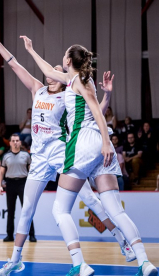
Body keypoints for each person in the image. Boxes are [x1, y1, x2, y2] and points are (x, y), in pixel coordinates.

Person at [0, 23, 137, 276]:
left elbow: (94, 110)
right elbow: (13, 63)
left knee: (89, 197)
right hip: (39, 156)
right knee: (27, 210)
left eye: (56, 71)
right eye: (50, 72)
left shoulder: (68, 95)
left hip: (60, 150)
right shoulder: (37, 90)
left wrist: (107, 100)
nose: (50, 75)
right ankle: (15, 260)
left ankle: (120, 238)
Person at [16, 35, 156, 275]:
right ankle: (144, 261)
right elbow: (50, 71)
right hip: (98, 146)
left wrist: (105, 141)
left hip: (84, 143)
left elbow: (97, 114)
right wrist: (30, 50)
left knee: (60, 210)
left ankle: (80, 264)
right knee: (115, 210)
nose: (61, 58)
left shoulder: (79, 80)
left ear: (69, 60)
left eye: (64, 54)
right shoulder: (76, 79)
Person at [0, 134, 35, 243]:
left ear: (20, 142)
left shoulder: (26, 155)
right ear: (10, 143)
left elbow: (31, 170)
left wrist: (32, 184)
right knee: (10, 211)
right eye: (13, 140)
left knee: (27, 210)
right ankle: (9, 235)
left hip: (23, 183)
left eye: (17, 140)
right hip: (10, 184)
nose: (15, 142)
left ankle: (32, 235)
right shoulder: (6, 156)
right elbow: (1, 172)